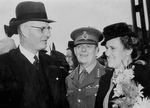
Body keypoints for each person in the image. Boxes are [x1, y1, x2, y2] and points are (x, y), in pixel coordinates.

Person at [0, 1, 69, 108]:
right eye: (42, 29)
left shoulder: (52, 63)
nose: (48, 34)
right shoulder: (3, 65)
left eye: (48, 28)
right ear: (24, 30)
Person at [95, 22, 150, 108]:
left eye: (112, 48)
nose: (107, 53)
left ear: (129, 49)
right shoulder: (104, 79)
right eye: (106, 48)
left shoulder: (144, 76)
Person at [65, 27, 105, 108]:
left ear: (97, 51)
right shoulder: (69, 79)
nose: (83, 50)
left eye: (89, 46)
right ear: (75, 51)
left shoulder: (106, 75)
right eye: (79, 46)